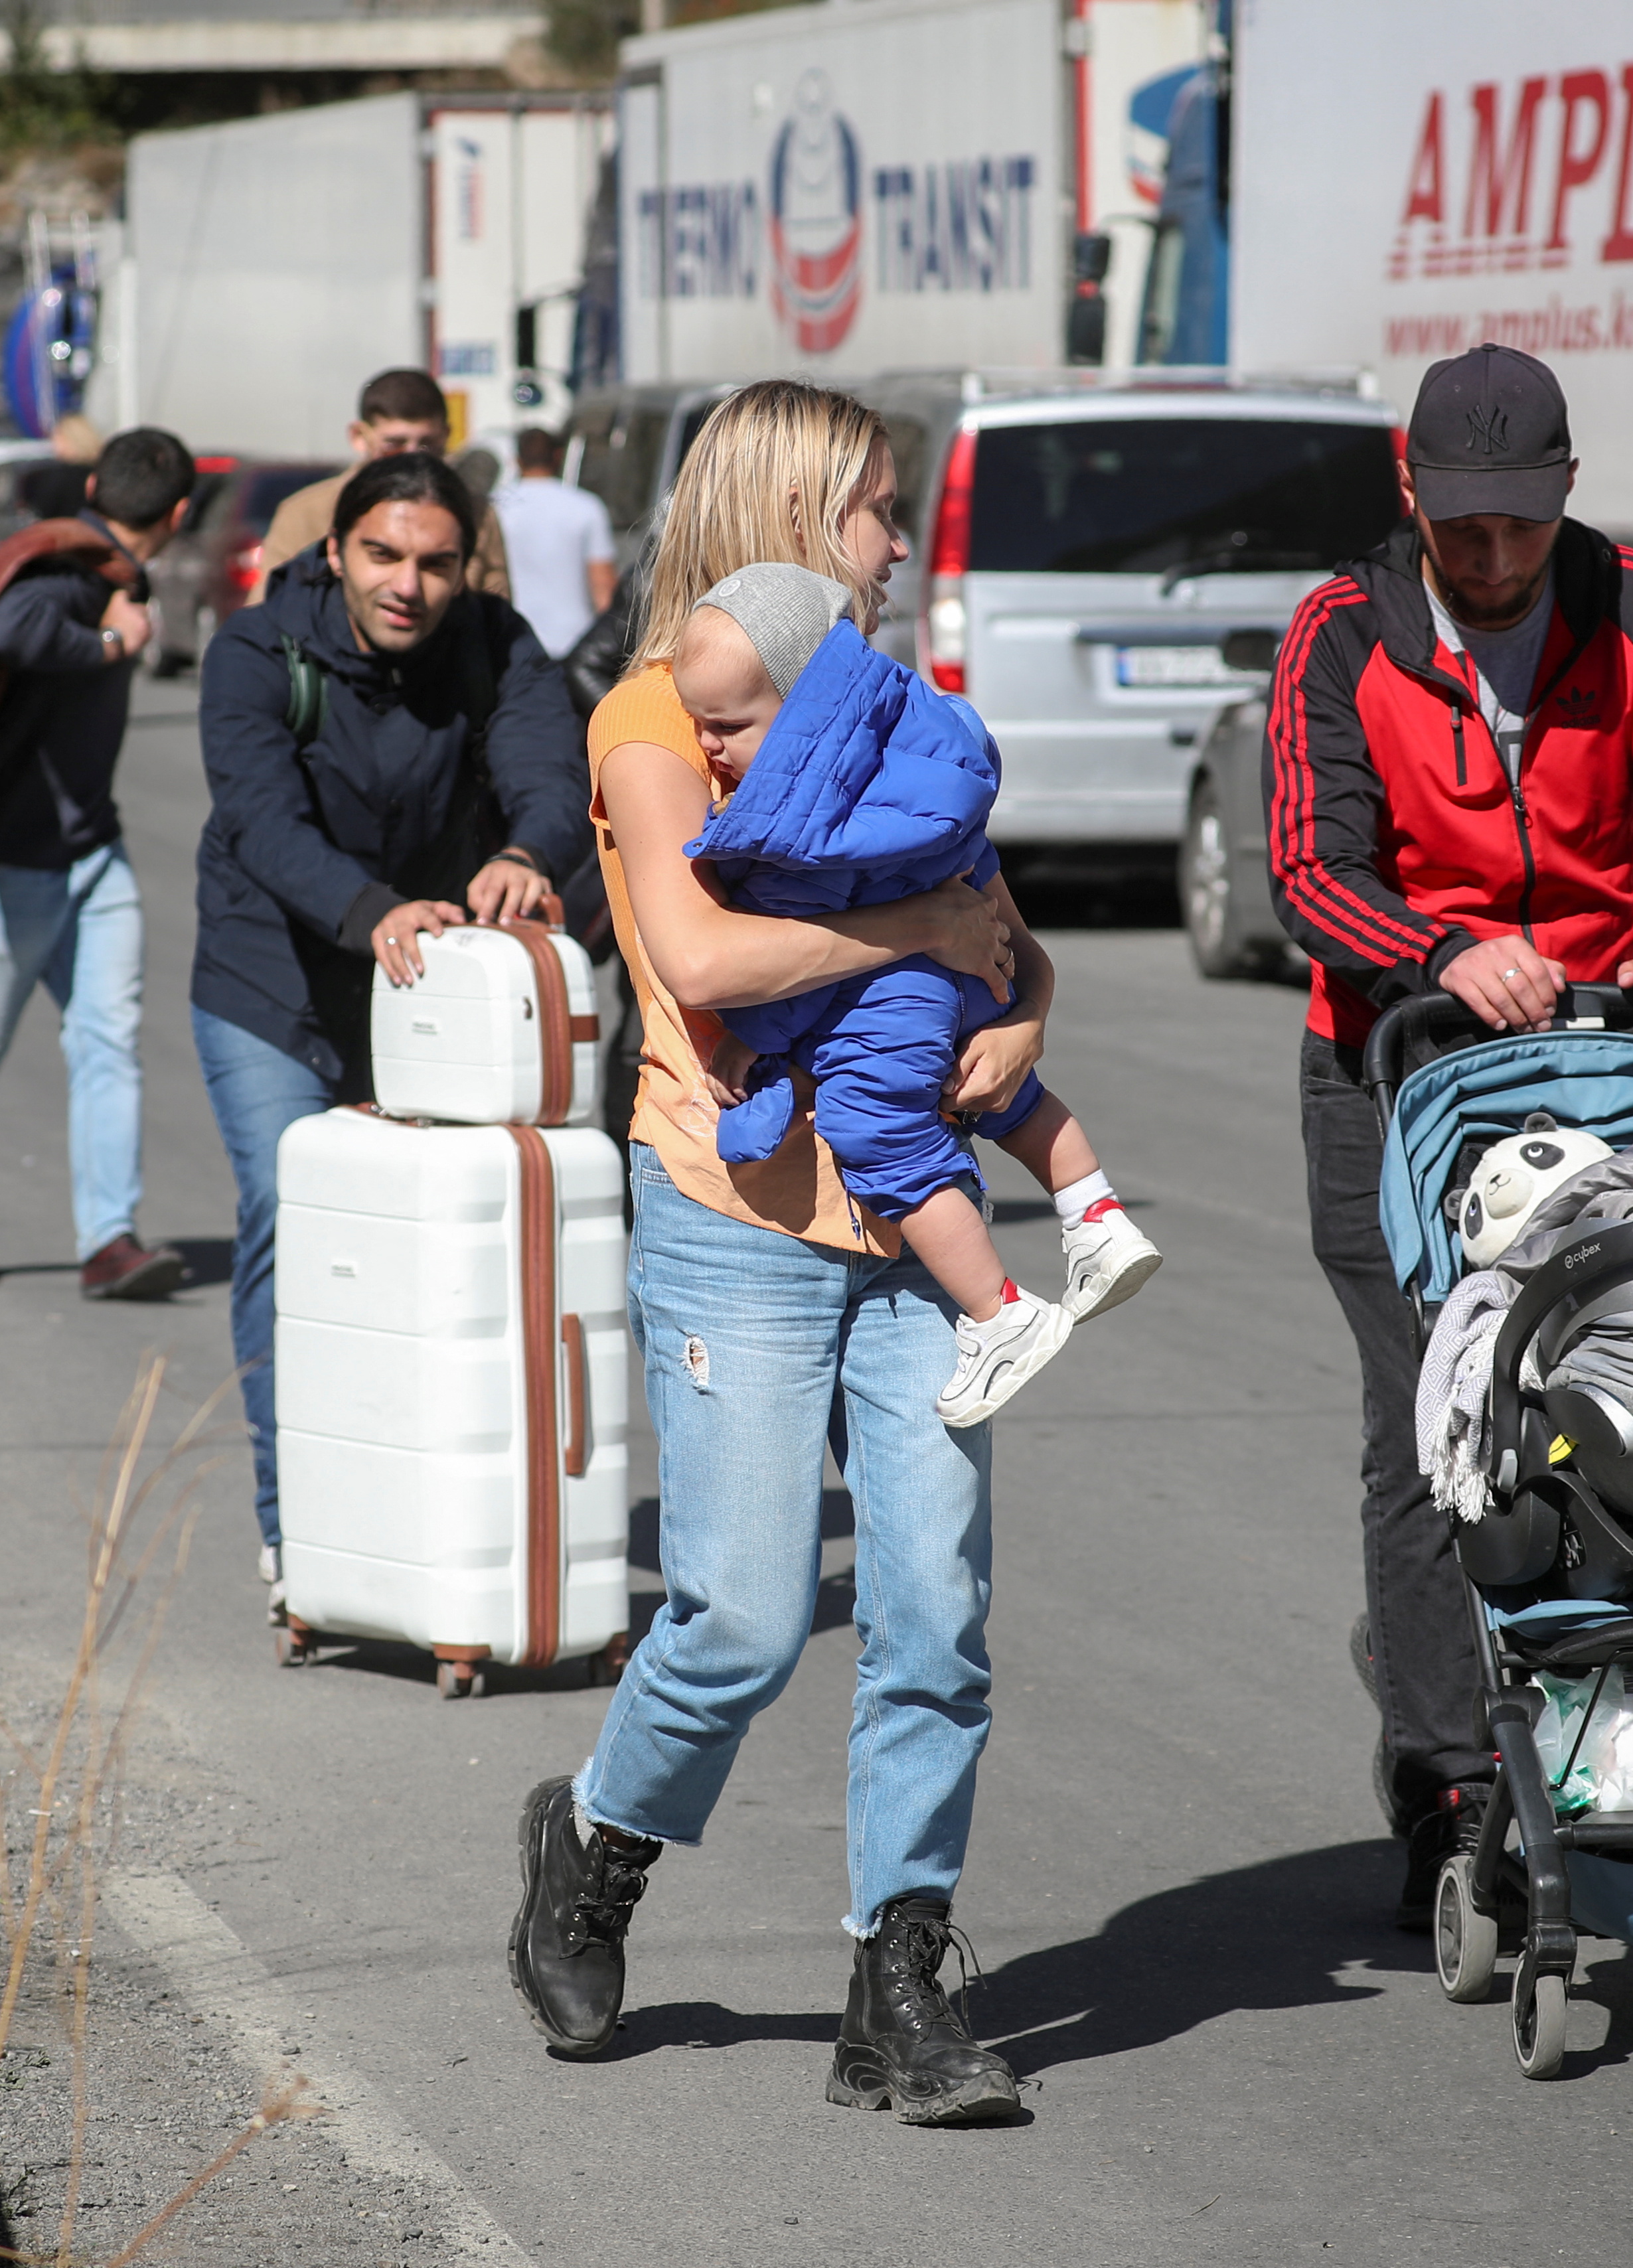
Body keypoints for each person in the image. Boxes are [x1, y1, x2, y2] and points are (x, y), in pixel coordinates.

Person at [506, 378, 1038, 2128]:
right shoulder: (652, 718)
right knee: (738, 1618)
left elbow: (1000, 934)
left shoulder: (884, 701)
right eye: (878, 506)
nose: (896, 541)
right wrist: (915, 932)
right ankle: (595, 1841)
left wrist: (1022, 1012)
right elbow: (703, 958)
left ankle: (897, 1982)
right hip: (733, 1221)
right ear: (799, 514)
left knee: (934, 1610)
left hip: (911, 1219)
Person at [1263, 344, 1633, 1928]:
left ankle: (1629, 1709)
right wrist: (1435, 950)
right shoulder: (1340, 634)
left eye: (1520, 527)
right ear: (1409, 494)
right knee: (1432, 1416)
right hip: (1395, 1070)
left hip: (1604, 1065)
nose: (1490, 558)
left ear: (1566, 493)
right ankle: (1443, 1774)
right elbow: (1307, 862)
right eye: (1461, 527)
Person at [189, 451, 586, 1618]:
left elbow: (552, 772)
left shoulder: (497, 643)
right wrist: (369, 910)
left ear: (465, 568)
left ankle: (419, 1515)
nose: (407, 584)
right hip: (272, 982)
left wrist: (523, 853)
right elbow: (258, 818)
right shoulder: (257, 651)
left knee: (428, 1249)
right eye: (382, 555)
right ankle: (294, 1529)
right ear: (336, 552)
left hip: (420, 994)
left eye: (434, 563)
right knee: (292, 1218)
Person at [670, 564, 1160, 1424]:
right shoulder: (916, 752)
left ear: (805, 713)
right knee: (1006, 1094)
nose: (706, 747)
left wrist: (753, 1036)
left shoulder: (799, 825)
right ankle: (1096, 1216)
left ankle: (998, 1313)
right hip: (975, 969)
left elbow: (803, 961)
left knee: (878, 1130)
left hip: (887, 1004)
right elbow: (978, 863)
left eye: (728, 726)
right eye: (699, 724)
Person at [0, 424, 194, 1300]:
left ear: (96, 487)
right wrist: (111, 643)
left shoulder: (101, 568)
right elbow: (6, 630)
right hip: (2, 860)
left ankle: (109, 1240)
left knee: (108, 1042)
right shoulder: (68, 568)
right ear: (179, 514)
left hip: (93, 854)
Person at [252, 370, 513, 600]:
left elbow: (499, 616)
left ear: (446, 437)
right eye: (394, 445)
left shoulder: (477, 515)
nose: (411, 458)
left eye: (426, 445)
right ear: (359, 437)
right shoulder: (306, 513)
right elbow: (266, 613)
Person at [486, 427, 616, 662]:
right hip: (574, 641)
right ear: (558, 456)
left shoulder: (495, 508)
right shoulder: (587, 506)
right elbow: (603, 587)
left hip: (511, 641)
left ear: (516, 460)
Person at [16, 412, 102, 522]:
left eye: (56, 438)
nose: (53, 444)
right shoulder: (103, 472)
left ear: (70, 440)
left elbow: (44, 512)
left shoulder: (56, 478)